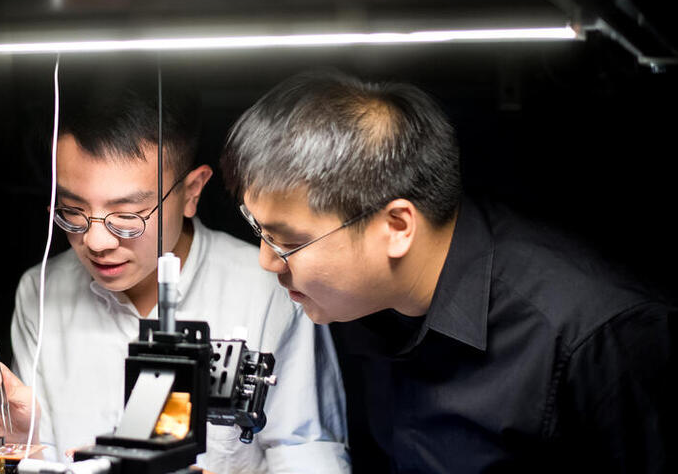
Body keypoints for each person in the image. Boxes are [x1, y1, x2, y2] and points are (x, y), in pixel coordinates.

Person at [220, 69, 677, 472]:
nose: (266, 261)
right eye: (257, 229)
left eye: (290, 241)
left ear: (397, 227)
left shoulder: (598, 337)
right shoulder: (359, 300)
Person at [0, 62, 350, 473]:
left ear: (192, 191)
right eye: (72, 211)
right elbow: (49, 461)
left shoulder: (269, 290)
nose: (96, 241)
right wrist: (23, 442)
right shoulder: (41, 292)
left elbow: (308, 453)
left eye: (127, 216)